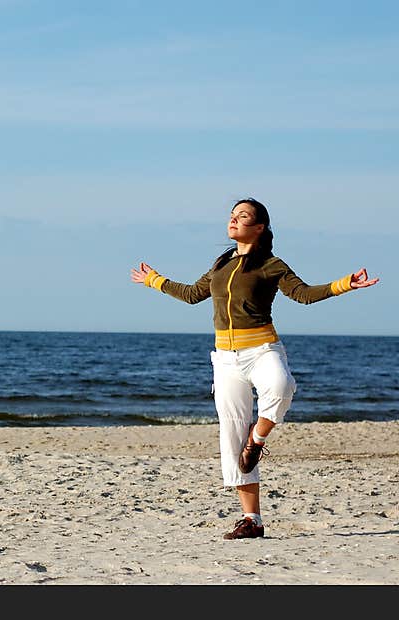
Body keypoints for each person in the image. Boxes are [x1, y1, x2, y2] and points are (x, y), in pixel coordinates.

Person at [131, 198, 379, 539]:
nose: (233, 220)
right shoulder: (221, 264)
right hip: (225, 358)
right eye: (232, 216)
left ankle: (259, 437)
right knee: (232, 435)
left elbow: (304, 295)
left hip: (262, 348)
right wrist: (154, 280)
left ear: (259, 227)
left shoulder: (271, 265)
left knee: (280, 386)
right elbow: (191, 295)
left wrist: (344, 284)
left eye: (242, 216)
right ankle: (252, 520)